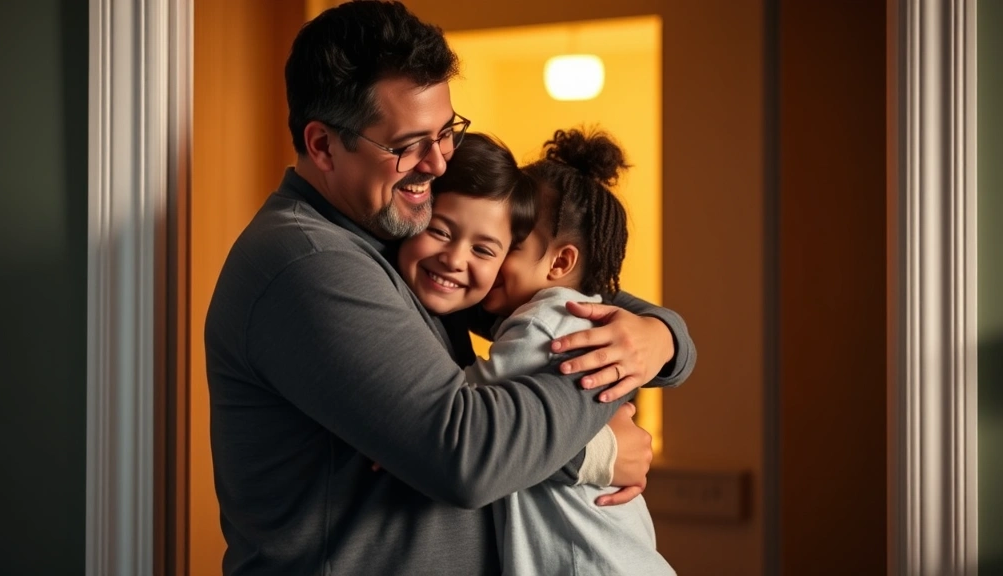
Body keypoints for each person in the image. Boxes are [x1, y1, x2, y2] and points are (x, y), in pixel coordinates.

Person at [204, 2, 696, 574]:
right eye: (408, 145)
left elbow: (553, 302)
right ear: (323, 146)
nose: (438, 164)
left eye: (446, 133)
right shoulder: (309, 264)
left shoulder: (397, 239)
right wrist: (591, 437)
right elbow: (466, 455)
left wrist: (659, 337)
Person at [398, 129, 678, 575]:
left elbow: (466, 415)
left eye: (507, 244)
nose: (476, 259)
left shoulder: (544, 321)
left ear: (560, 263)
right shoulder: (571, 315)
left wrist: (402, 427)